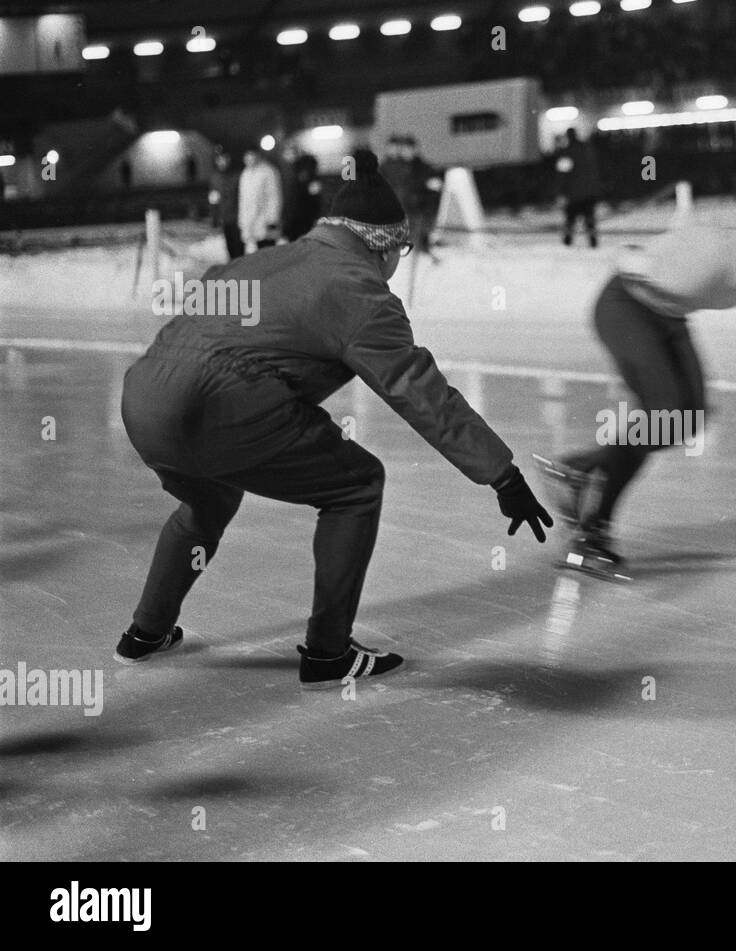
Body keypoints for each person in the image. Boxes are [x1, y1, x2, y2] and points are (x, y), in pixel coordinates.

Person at [116, 150, 552, 687]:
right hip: (216, 407)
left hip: (142, 398)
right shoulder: (358, 290)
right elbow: (420, 393)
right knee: (357, 485)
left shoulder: (267, 259)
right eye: (403, 249)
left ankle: (145, 632)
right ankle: (327, 654)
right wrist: (500, 473)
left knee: (209, 496)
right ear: (385, 245)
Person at [535, 208, 736, 575]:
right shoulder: (708, 259)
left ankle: (580, 470)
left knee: (689, 416)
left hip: (669, 316)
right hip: (624, 308)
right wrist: (667, 247)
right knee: (666, 412)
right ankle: (589, 532)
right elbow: (629, 258)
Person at [555, 127, 601, 247]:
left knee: (570, 219)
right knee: (590, 219)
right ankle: (593, 241)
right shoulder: (587, 149)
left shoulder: (567, 152)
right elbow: (594, 169)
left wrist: (560, 190)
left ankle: (567, 241)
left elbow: (562, 174)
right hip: (590, 191)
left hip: (574, 193)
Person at [238, 148, 282, 253]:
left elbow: (274, 196)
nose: (249, 159)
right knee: (253, 256)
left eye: (251, 155)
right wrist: (242, 221)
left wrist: (272, 219)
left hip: (264, 221)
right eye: (246, 156)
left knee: (267, 253)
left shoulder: (268, 171)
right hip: (249, 222)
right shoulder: (245, 173)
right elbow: (242, 200)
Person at [208, 150, 242, 260]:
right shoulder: (215, 178)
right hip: (225, 218)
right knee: (230, 247)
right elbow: (213, 198)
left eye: (224, 159)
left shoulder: (237, 176)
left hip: (238, 218)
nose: (222, 162)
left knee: (239, 248)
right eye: (219, 160)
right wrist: (214, 218)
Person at [282, 148, 322, 241]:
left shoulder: (295, 179)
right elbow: (316, 201)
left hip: (299, 219)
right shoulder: (311, 180)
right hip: (302, 219)